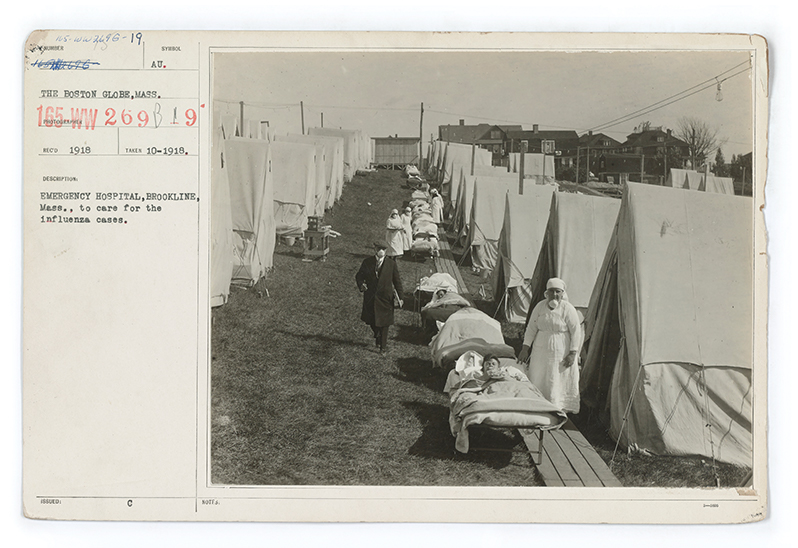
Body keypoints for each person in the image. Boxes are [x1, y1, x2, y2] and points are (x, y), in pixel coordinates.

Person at [517, 278, 583, 413]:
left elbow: (576, 332)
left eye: (557, 292)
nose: (554, 295)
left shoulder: (568, 309)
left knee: (557, 378)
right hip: (540, 350)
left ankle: (558, 408)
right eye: (551, 291)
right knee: (539, 375)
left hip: (561, 351)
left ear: (562, 293)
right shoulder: (540, 307)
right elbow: (531, 328)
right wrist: (525, 348)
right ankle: (537, 405)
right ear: (546, 293)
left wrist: (572, 353)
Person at [355, 240, 404, 354]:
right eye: (378, 249)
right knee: (372, 320)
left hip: (385, 298)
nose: (381, 251)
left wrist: (400, 297)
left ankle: (383, 347)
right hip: (370, 296)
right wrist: (361, 284)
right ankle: (377, 334)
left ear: (386, 251)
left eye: (383, 249)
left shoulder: (391, 264)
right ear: (375, 250)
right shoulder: (367, 262)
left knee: (384, 323)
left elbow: (397, 281)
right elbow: (359, 276)